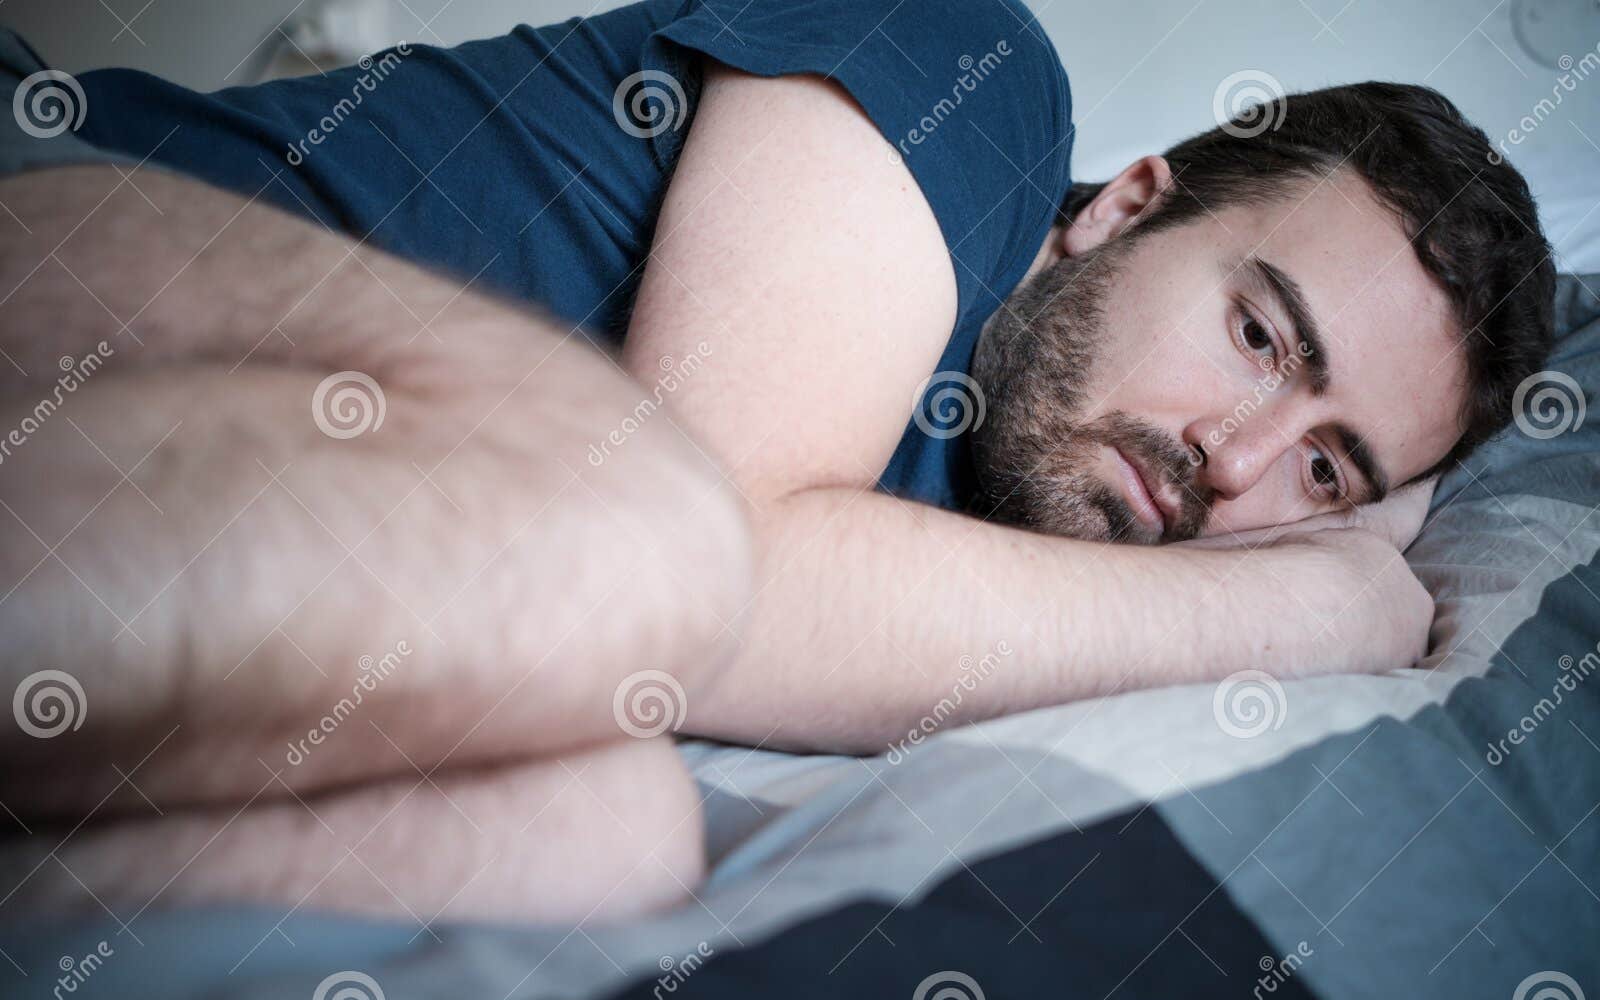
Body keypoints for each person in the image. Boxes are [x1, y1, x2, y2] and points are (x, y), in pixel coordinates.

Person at [0, 0, 1555, 923]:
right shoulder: (969, 76)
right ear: (1126, 204)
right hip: (60, 231)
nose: (1236, 464)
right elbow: (722, 578)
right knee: (656, 538)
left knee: (605, 836)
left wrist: (1368, 530)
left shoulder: (984, 584)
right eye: (1262, 336)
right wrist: (1313, 604)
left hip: (149, 533)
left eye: (1333, 471)